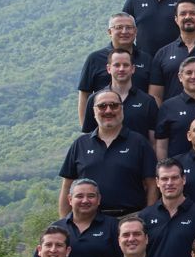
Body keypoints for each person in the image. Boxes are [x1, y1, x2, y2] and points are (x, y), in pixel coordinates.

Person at [61, 89, 158, 218]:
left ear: (122, 109)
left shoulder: (139, 143)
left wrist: (148, 218)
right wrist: (64, 223)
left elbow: (152, 184)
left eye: (114, 105)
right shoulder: (80, 144)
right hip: (89, 220)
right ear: (94, 111)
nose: (108, 111)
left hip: (130, 220)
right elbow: (67, 186)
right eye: (102, 106)